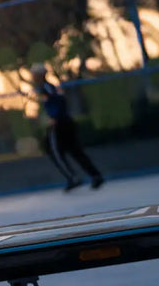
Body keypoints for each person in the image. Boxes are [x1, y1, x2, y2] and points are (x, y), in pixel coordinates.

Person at [30, 63, 104, 191]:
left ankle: (73, 177)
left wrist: (55, 116)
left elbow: (57, 100)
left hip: (59, 123)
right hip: (65, 121)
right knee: (74, 150)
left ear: (39, 75)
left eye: (34, 75)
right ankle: (95, 175)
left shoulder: (46, 87)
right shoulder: (47, 87)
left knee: (54, 150)